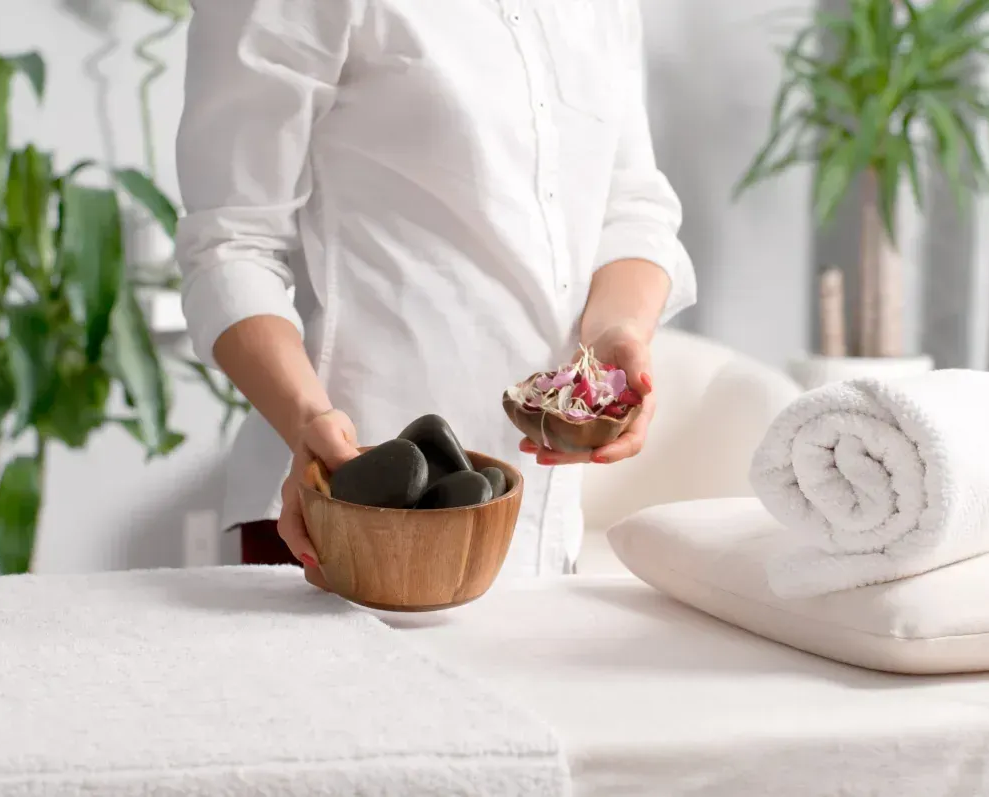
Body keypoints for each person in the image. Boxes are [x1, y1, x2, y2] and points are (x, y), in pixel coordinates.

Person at [174, 0, 696, 583]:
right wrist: (307, 421)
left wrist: (616, 334)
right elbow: (231, 243)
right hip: (348, 507)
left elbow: (631, 205)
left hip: (535, 518)